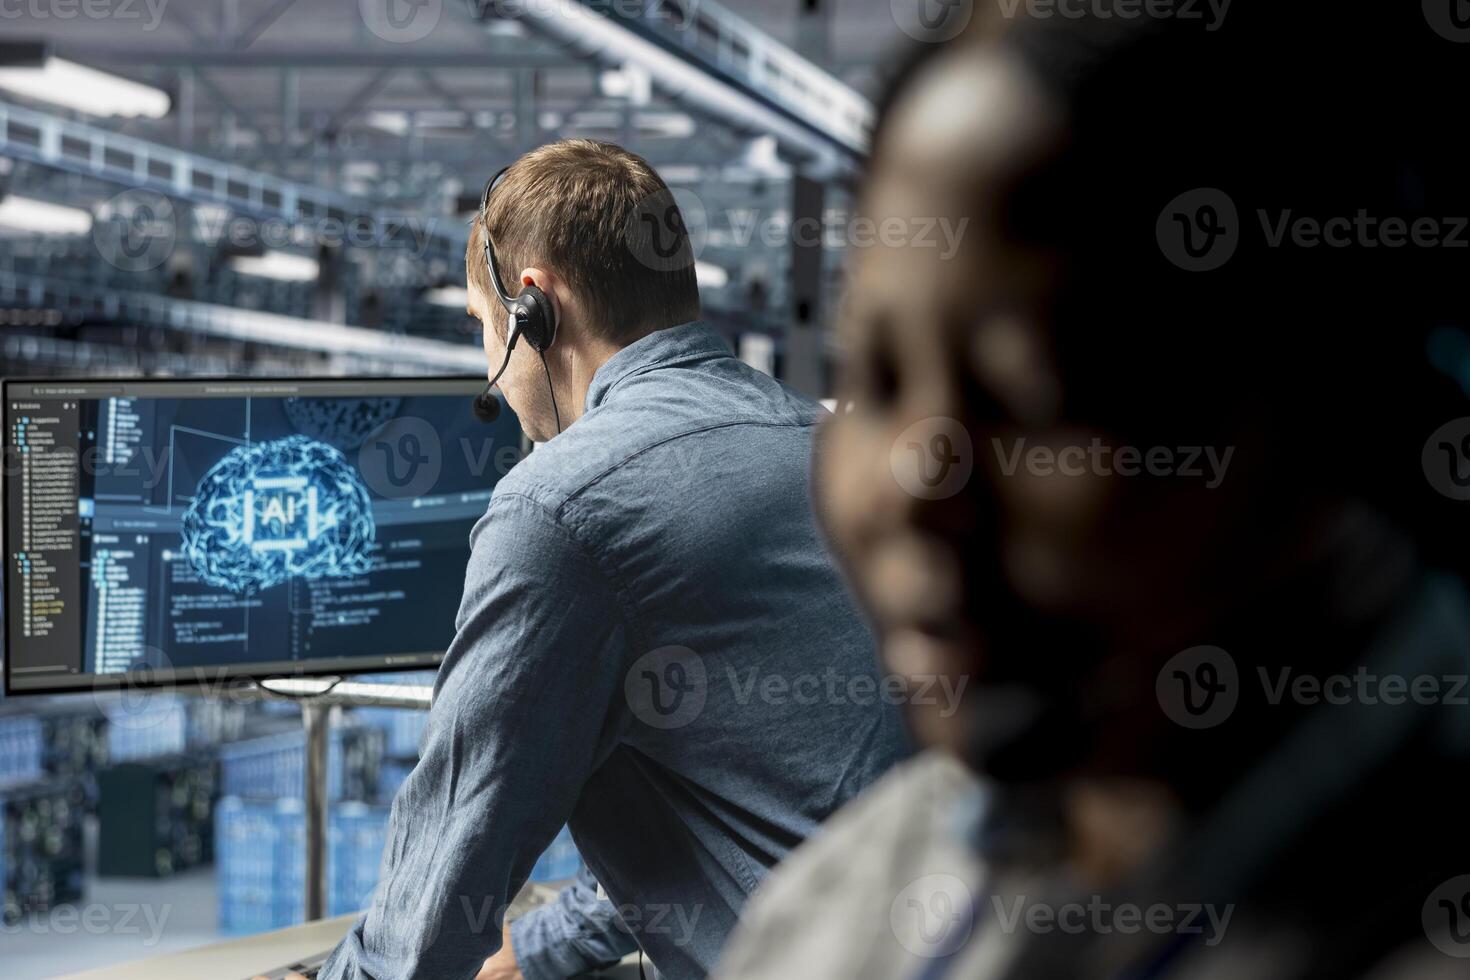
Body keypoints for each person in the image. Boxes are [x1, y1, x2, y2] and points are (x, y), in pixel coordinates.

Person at [712, 8, 1470, 980]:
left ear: (1331, 404)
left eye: (1034, 399)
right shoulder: (857, 891)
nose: (915, 481)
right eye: (878, 377)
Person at [311, 139, 908, 980]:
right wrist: (540, 950)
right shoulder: (833, 445)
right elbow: (749, 795)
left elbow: (438, 898)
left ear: (533, 308)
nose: (492, 365)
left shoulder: (562, 507)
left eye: (484, 330)